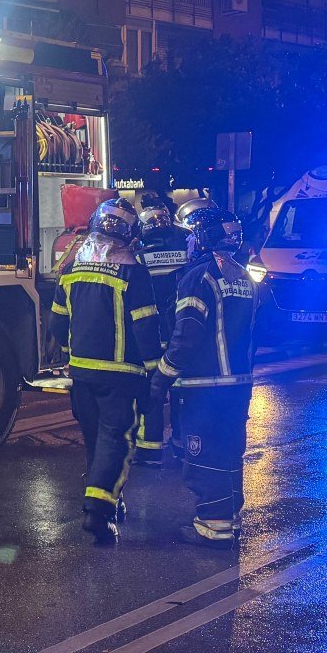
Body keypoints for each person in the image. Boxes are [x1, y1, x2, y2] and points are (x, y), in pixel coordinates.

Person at [50, 198, 165, 544]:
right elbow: (145, 327)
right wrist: (155, 372)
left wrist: (70, 355)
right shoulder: (133, 272)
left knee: (96, 441)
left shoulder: (71, 268)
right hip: (121, 375)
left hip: (82, 374)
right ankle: (97, 511)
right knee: (115, 440)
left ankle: (110, 499)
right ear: (130, 234)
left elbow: (57, 323)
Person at [150, 207, 257, 549]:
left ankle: (213, 526)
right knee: (229, 453)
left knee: (204, 456)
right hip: (239, 385)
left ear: (202, 238)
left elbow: (187, 336)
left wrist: (161, 378)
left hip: (204, 388)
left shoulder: (199, 277)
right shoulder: (244, 276)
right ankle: (229, 518)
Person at [135, 201, 190, 468]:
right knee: (180, 391)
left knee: (152, 389)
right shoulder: (185, 253)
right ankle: (181, 444)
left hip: (151, 333)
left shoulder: (139, 257)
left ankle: (149, 450)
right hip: (179, 332)